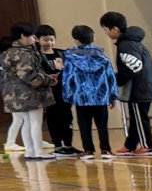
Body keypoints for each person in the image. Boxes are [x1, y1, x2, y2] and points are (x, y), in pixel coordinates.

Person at [99, 14, 152, 154]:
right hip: (144, 86)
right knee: (136, 117)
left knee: (139, 117)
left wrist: (117, 79)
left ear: (115, 29)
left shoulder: (126, 44)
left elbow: (135, 66)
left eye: (106, 29)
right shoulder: (131, 41)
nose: (105, 33)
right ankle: (130, 144)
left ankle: (148, 146)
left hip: (139, 88)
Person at [62, 25, 117, 162]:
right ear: (92, 39)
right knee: (102, 125)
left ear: (75, 40)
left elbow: (67, 77)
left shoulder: (70, 57)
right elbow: (111, 77)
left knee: (84, 125)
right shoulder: (102, 57)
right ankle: (106, 149)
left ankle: (88, 150)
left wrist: (67, 95)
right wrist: (112, 95)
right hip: (101, 96)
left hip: (81, 97)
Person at [2, 23, 57, 159]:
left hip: (14, 94)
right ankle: (38, 151)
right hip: (29, 93)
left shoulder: (7, 52)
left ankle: (30, 151)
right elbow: (28, 75)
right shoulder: (24, 54)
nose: (35, 39)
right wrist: (49, 80)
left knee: (27, 122)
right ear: (22, 36)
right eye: (32, 35)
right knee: (35, 123)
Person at [36, 28, 75, 156]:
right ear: (38, 39)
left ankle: (68, 144)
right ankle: (57, 145)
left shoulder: (61, 53)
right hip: (48, 92)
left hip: (64, 92)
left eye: (51, 40)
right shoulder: (36, 56)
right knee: (53, 119)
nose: (49, 43)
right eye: (45, 40)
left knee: (67, 117)